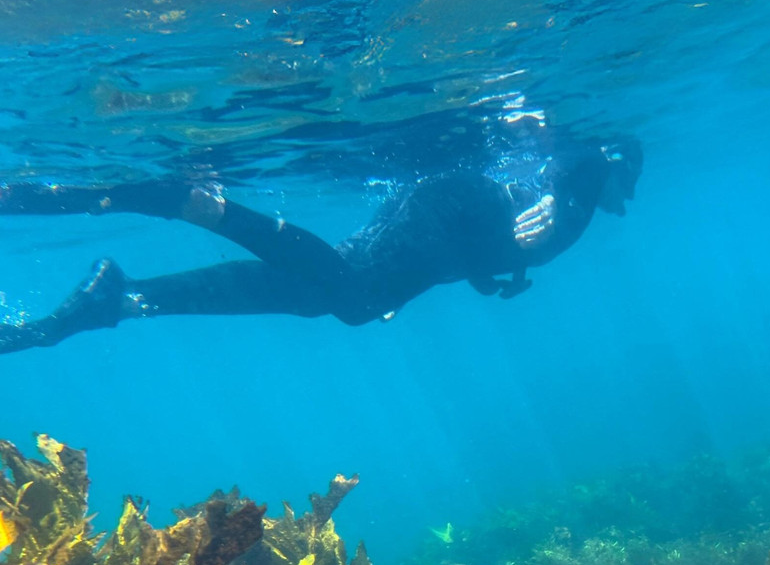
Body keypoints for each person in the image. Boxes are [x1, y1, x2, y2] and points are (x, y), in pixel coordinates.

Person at [0, 110, 641, 355]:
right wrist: (573, 185)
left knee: (317, 291)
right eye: (629, 181)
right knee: (358, 298)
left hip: (448, 216)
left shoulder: (577, 194)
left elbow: (501, 228)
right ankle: (192, 207)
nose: (627, 202)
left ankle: (122, 298)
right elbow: (584, 158)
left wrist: (489, 272)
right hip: (446, 208)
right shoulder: (588, 177)